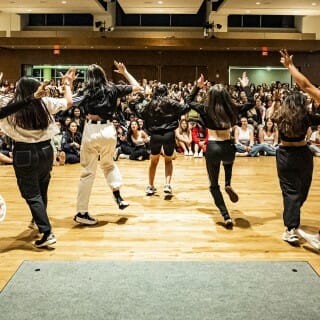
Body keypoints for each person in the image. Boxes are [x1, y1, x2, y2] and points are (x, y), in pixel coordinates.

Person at [0, 69, 77, 247]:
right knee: (42, 187)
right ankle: (38, 219)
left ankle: (47, 232)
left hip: (24, 152)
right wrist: (66, 83)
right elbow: (69, 101)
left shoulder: (11, 105)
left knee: (31, 193)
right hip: (46, 150)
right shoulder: (45, 103)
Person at [72, 62, 143, 226]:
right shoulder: (113, 88)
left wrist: (68, 84)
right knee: (109, 165)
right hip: (109, 130)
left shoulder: (85, 91)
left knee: (87, 172)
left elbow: (69, 102)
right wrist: (124, 73)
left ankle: (82, 212)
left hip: (91, 130)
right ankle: (118, 196)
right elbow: (138, 87)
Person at [185, 74, 249, 228]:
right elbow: (251, 102)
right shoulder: (233, 108)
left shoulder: (205, 109)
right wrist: (245, 87)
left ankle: (226, 216)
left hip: (213, 147)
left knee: (213, 185)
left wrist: (197, 86)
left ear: (211, 96)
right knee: (228, 162)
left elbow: (188, 102)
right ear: (227, 96)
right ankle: (228, 182)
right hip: (228, 147)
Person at [279, 49, 320, 249]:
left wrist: (290, 66)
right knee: (296, 192)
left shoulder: (279, 115)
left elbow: (305, 85)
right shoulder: (302, 116)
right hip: (301, 154)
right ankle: (291, 226)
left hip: (292, 154)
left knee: (293, 192)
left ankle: (291, 226)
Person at [129, 83, 192, 196]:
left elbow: (132, 105)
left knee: (153, 162)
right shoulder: (171, 103)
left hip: (155, 136)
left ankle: (150, 186)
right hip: (169, 135)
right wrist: (195, 90)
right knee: (168, 160)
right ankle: (167, 185)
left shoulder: (150, 104)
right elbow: (187, 107)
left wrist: (141, 96)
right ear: (166, 92)